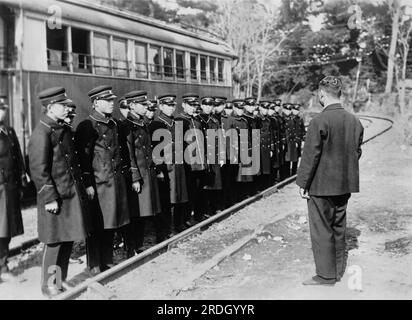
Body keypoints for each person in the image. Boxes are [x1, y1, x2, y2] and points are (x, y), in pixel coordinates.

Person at [296, 76, 364, 286]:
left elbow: (311, 155)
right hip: (344, 185)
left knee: (321, 229)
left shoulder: (319, 121)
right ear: (340, 94)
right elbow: (357, 151)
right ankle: (337, 271)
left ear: (322, 95)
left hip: (321, 186)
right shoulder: (355, 121)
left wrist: (303, 183)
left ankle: (326, 276)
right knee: (338, 227)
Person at [28, 87, 91, 297]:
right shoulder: (42, 132)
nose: (67, 109)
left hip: (69, 195)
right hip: (55, 197)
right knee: (54, 242)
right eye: (63, 106)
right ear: (50, 107)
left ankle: (60, 281)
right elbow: (38, 169)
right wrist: (49, 197)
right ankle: (49, 286)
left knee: (67, 239)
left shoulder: (60, 129)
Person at [75, 85, 130, 274]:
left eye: (112, 100)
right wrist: (88, 184)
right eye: (108, 101)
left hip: (113, 181)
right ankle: (94, 263)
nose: (112, 104)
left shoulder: (113, 124)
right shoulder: (87, 126)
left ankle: (107, 259)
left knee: (111, 222)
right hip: (98, 183)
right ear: (96, 103)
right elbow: (84, 159)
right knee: (97, 224)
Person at [122, 91, 162, 255]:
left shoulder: (142, 122)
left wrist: (155, 169)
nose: (146, 107)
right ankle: (131, 247)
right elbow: (129, 152)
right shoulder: (127, 125)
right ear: (132, 106)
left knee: (143, 211)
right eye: (142, 104)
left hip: (147, 172)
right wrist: (135, 177)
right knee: (135, 212)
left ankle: (137, 244)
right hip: (138, 175)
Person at [149, 94, 188, 234]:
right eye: (168, 105)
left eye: (173, 106)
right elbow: (154, 149)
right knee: (165, 200)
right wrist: (158, 169)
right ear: (161, 106)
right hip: (165, 167)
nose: (171, 108)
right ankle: (163, 231)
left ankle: (178, 224)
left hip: (178, 165)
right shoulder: (156, 124)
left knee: (180, 196)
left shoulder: (177, 123)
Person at [0, 97, 27, 284]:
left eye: (4, 108)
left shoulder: (8, 131)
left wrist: (21, 179)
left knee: (6, 228)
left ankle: (3, 265)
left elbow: (17, 156)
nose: (3, 111)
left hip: (8, 187)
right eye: (0, 108)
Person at [175, 93, 207, 225]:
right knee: (186, 193)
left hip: (198, 163)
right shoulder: (179, 121)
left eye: (195, 105)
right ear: (183, 105)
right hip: (187, 163)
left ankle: (195, 216)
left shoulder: (197, 122)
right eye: (190, 105)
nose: (193, 108)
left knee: (197, 191)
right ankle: (182, 220)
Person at [256, 101, 273, 190]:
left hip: (266, 146)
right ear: (260, 108)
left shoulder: (268, 120)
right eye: (264, 108)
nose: (266, 110)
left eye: (267, 109)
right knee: (260, 168)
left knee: (266, 167)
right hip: (259, 146)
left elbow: (270, 135)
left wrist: (271, 148)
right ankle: (259, 187)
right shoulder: (257, 119)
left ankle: (264, 187)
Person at [292, 103, 306, 175]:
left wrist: (303, 139)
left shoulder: (300, 119)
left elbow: (303, 130)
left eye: (297, 110)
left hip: (298, 141)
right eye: (295, 110)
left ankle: (294, 172)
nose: (296, 112)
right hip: (292, 141)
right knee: (289, 158)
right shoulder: (291, 119)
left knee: (296, 157)